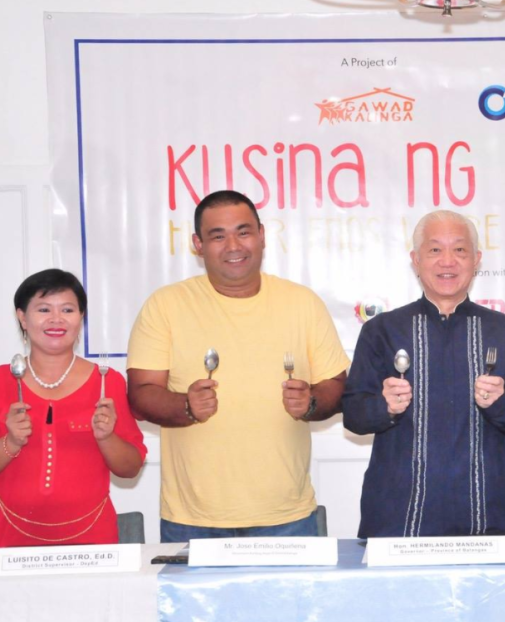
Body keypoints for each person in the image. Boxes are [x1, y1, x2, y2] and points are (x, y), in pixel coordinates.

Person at [127, 190, 349, 541]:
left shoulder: (302, 303)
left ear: (262, 236)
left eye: (243, 232)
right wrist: (185, 405)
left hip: (286, 516)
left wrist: (311, 402)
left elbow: (336, 384)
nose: (233, 245)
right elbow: (140, 395)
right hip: (193, 519)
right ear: (198, 244)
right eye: (218, 236)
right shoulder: (165, 305)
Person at [343, 210, 505, 537]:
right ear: (415, 260)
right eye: (435, 250)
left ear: (476, 259)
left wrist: (500, 404)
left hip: (490, 514)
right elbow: (353, 415)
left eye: (459, 250)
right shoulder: (382, 331)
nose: (447, 261)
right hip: (399, 516)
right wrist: (385, 406)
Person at [0, 269, 146, 552]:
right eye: (43, 309)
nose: (56, 320)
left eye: (67, 310)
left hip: (91, 541)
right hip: (9, 541)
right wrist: (10, 443)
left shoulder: (107, 382)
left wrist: (107, 437)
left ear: (81, 317)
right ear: (22, 317)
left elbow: (130, 468)